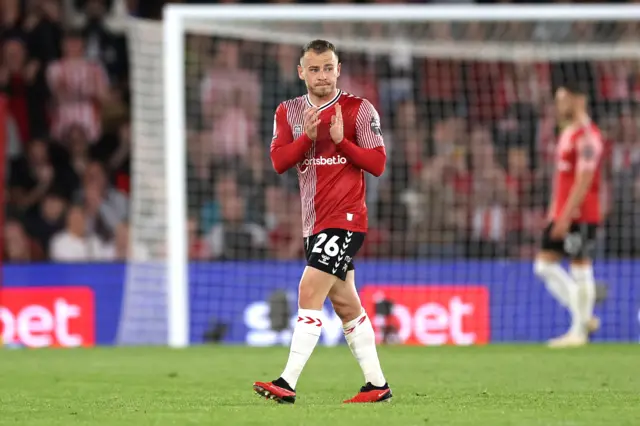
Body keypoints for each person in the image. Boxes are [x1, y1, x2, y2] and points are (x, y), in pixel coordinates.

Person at [252, 40, 391, 404]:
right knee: (346, 305)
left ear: (338, 69)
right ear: (301, 72)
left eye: (328, 68)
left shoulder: (359, 110)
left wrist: (341, 142)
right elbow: (280, 162)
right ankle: (376, 385)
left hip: (346, 219)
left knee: (308, 292)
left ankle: (287, 382)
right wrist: (308, 139)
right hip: (313, 223)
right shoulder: (288, 111)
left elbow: (377, 164)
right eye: (314, 69)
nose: (322, 76)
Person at [533, 82, 604, 348]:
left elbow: (584, 180)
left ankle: (579, 331)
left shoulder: (588, 136)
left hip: (581, 215)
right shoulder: (567, 133)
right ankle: (584, 316)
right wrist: (554, 213)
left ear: (577, 99)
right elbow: (561, 180)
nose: (558, 105)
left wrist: (565, 216)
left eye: (562, 99)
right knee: (543, 265)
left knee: (580, 266)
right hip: (562, 213)